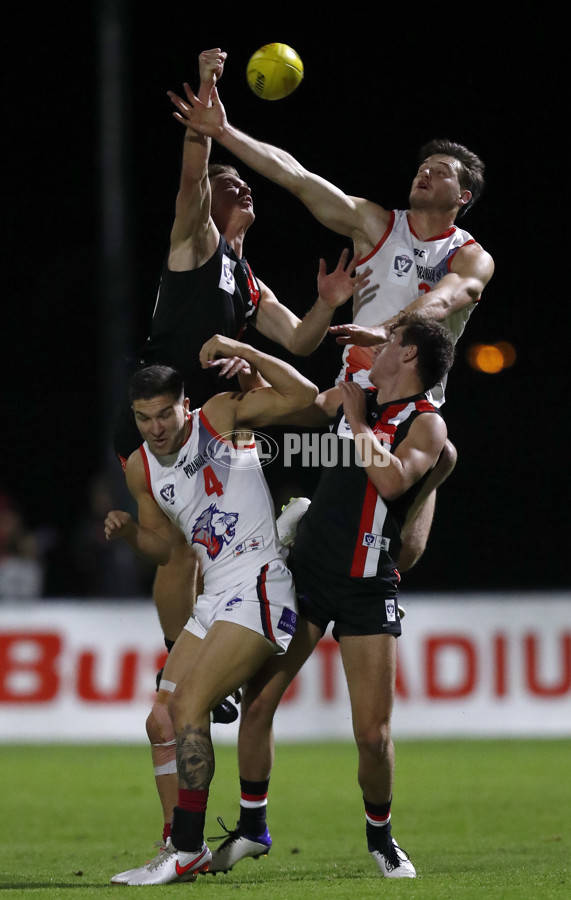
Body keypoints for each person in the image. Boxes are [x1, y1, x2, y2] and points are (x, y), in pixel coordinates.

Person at [113, 48, 369, 836]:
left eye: (245, 181)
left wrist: (329, 304)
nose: (239, 184)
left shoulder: (246, 278)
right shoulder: (193, 250)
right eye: (232, 181)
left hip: (222, 421)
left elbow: (296, 335)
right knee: (188, 541)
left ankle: (242, 625)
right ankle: (182, 651)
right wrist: (208, 118)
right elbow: (194, 182)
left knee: (276, 483)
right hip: (172, 415)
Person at [167, 67, 495, 567]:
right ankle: (276, 524)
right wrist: (223, 132)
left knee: (404, 554)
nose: (425, 172)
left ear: (463, 197)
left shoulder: (471, 257)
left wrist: (386, 331)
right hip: (356, 396)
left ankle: (306, 526)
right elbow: (297, 178)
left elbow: (446, 300)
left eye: (442, 171)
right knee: (361, 536)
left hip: (416, 407)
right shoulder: (375, 224)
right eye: (422, 166)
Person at [204, 312, 455, 879]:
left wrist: (358, 421)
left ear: (410, 356)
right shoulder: (354, 393)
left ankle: (381, 837)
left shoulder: (426, 423)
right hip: (309, 577)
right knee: (259, 702)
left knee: (372, 735)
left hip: (367, 586)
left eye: (392, 340)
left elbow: (391, 481)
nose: (380, 345)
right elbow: (299, 406)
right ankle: (252, 827)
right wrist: (251, 374)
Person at [105, 335, 319, 886]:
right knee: (163, 717)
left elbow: (305, 394)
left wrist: (240, 348)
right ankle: (179, 840)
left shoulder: (221, 417)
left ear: (184, 405)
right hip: (213, 597)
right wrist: (130, 533)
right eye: (143, 418)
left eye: (164, 414)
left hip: (258, 584)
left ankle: (187, 847)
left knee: (190, 707)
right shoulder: (141, 471)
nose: (155, 428)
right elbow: (163, 545)